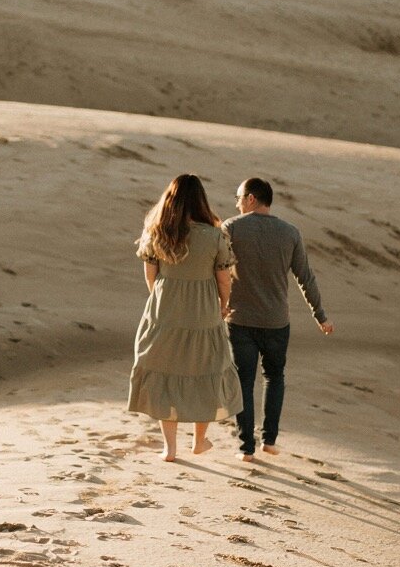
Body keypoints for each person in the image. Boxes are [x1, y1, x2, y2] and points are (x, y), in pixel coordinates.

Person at [128, 174, 243, 461]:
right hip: (203, 311)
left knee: (166, 370)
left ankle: (170, 447)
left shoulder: (157, 232)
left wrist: (161, 298)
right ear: (200, 201)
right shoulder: (215, 236)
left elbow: (150, 274)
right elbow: (224, 278)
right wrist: (223, 305)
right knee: (205, 370)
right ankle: (199, 441)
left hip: (165, 308)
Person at [222, 177, 333, 463]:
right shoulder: (290, 232)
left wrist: (214, 306)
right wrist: (319, 315)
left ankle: (246, 447)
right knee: (274, 377)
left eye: (238, 197)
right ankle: (269, 440)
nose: (236, 203)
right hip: (276, 321)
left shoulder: (231, 228)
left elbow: (217, 271)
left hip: (240, 319)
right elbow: (305, 277)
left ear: (250, 198)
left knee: (244, 381)